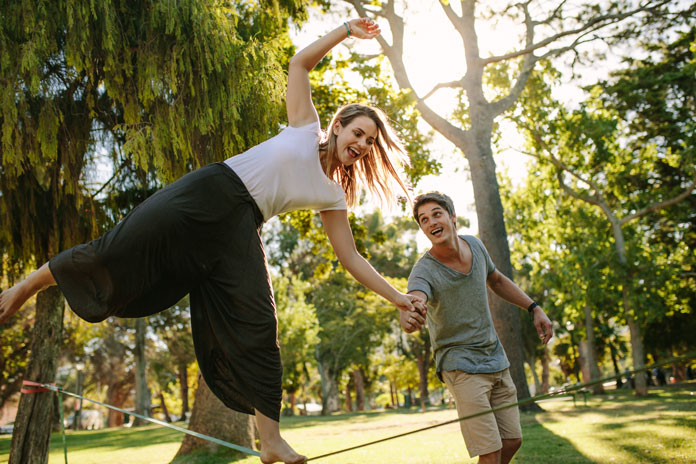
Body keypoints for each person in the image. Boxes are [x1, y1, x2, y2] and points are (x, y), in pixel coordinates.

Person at [0, 18, 426, 464]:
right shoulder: (304, 127)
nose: (361, 144)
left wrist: (396, 297)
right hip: (207, 192)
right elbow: (299, 64)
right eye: (357, 133)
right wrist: (344, 31)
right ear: (338, 126)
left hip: (240, 229)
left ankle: (271, 441)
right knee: (115, 250)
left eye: (370, 142)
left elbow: (350, 257)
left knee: (260, 323)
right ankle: (26, 286)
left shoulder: (334, 194)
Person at [400, 191, 553, 464]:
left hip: (495, 358)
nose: (431, 222)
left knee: (512, 441)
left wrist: (534, 307)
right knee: (490, 451)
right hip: (460, 364)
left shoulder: (475, 245)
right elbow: (416, 296)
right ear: (422, 228)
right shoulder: (424, 270)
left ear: (452, 217)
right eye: (423, 219)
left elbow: (496, 279)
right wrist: (411, 311)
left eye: (436, 214)